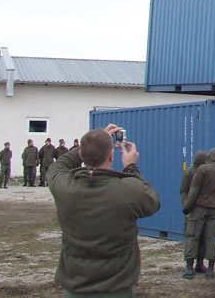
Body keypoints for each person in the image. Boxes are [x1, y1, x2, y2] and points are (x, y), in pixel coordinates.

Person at [47, 123, 160, 297]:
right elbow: (153, 201)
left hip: (75, 287)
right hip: (116, 288)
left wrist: (87, 146)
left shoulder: (65, 188)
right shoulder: (128, 190)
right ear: (111, 156)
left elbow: (56, 166)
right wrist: (131, 167)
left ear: (81, 155)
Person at [182, 147, 215, 279]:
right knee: (210, 238)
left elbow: (194, 190)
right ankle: (210, 270)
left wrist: (187, 206)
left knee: (193, 236)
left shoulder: (202, 169)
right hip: (213, 208)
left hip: (199, 207)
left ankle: (189, 269)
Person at [178, 150, 211, 277]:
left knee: (203, 237)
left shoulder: (206, 172)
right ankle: (189, 266)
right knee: (192, 238)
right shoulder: (189, 173)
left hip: (203, 209)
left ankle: (200, 263)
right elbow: (183, 191)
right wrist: (187, 206)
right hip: (192, 210)